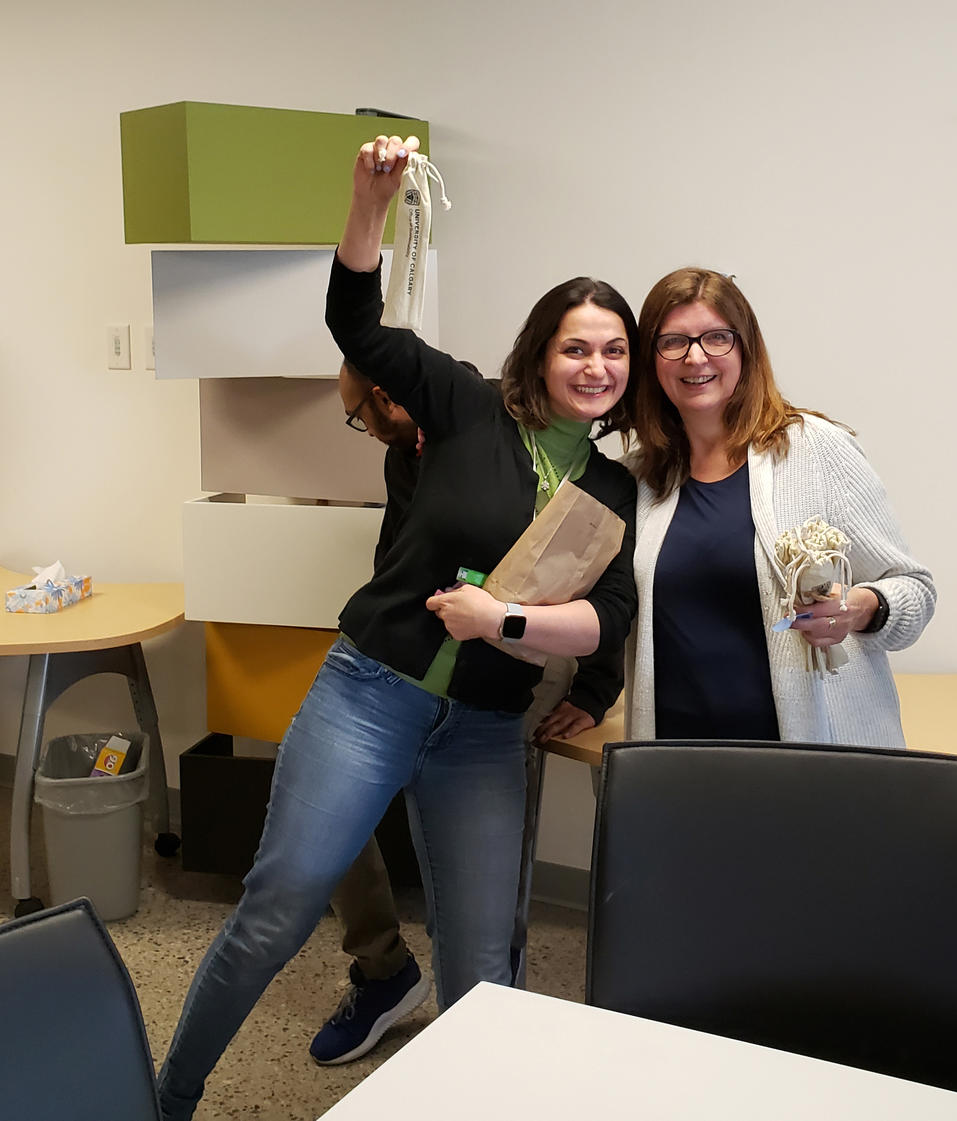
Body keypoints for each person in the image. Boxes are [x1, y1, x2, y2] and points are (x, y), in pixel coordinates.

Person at [156, 134, 638, 1120]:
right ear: (540, 353)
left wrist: (539, 649)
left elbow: (608, 615)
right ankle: (166, 1094)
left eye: (614, 349)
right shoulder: (464, 405)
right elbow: (354, 321)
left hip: (485, 729)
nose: (596, 364)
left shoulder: (612, 482)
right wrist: (367, 203)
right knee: (279, 907)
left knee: (483, 965)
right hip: (370, 693)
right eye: (576, 345)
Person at [311, 361, 623, 1067]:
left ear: (389, 395)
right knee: (319, 787)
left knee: (487, 812)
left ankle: (490, 1003)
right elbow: (396, 564)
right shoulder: (403, 455)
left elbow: (597, 557)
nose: (367, 430)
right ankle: (383, 967)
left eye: (363, 415)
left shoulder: (498, 424)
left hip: (529, 647)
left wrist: (596, 687)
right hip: (436, 638)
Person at [626, 267, 935, 744]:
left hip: (806, 763)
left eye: (716, 338)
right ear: (651, 359)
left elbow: (914, 590)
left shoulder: (815, 449)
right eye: (673, 342)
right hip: (675, 761)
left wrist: (858, 609)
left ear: (746, 347)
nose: (696, 356)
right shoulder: (639, 478)